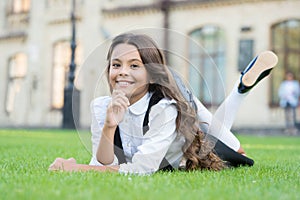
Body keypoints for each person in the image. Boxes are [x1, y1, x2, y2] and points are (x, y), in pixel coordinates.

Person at [48, 33, 278, 174]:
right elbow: (102, 164)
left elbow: (140, 170)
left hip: (193, 141)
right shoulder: (101, 106)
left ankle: (239, 90)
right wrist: (109, 126)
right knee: (191, 109)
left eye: (134, 65)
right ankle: (233, 90)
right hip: (167, 108)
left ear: (150, 74)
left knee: (236, 149)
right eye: (116, 65)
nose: (122, 72)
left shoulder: (163, 110)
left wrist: (75, 168)